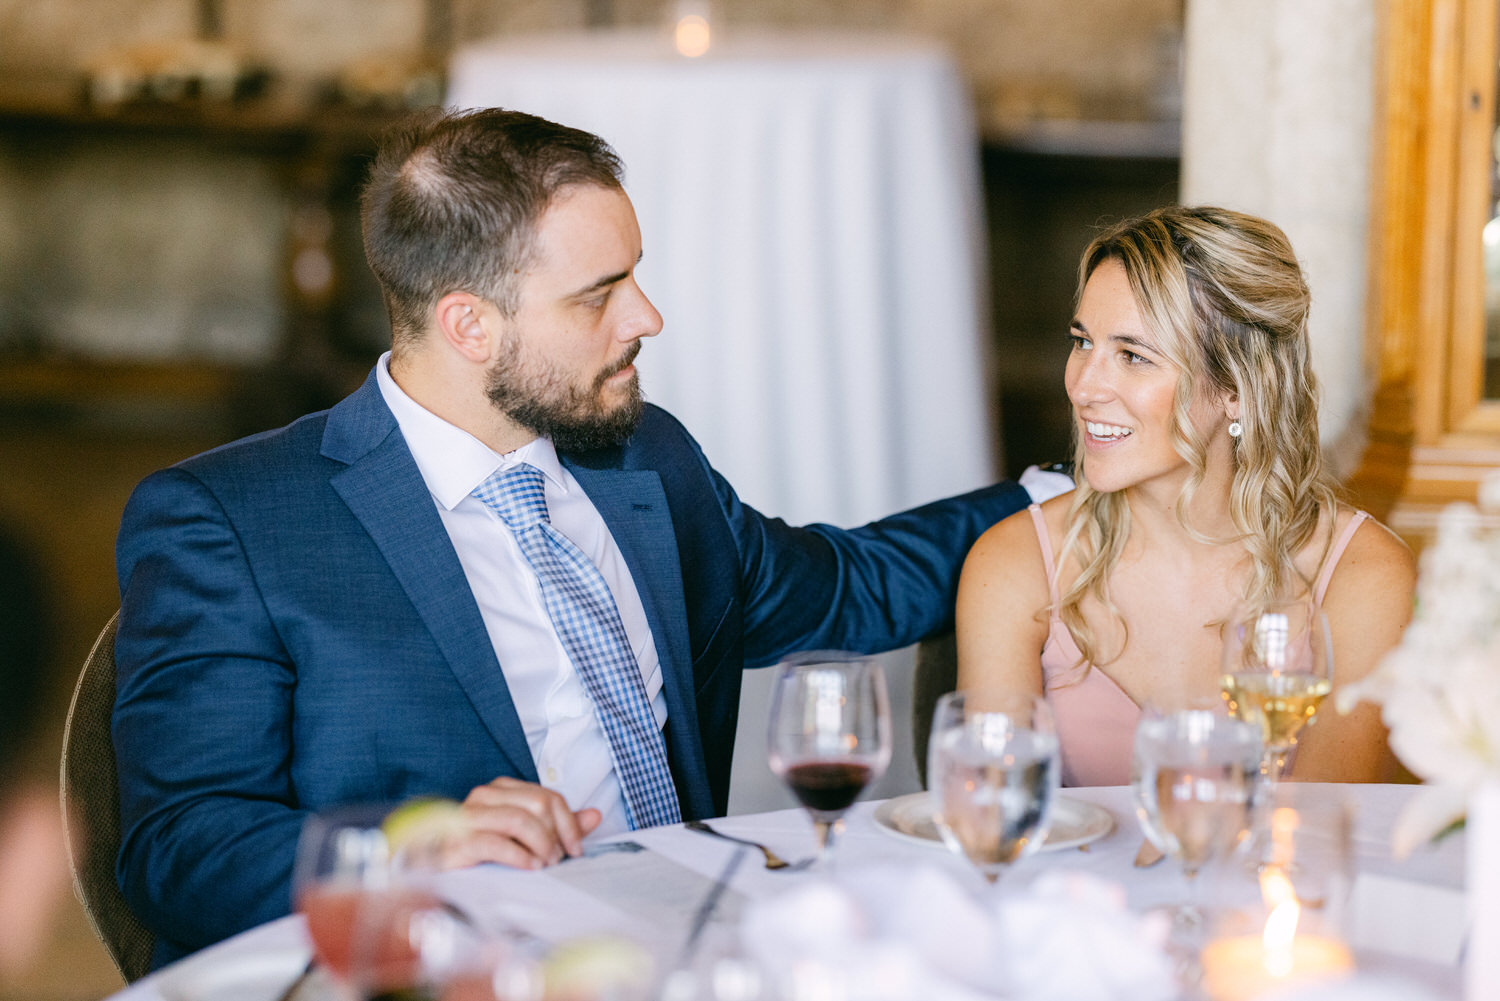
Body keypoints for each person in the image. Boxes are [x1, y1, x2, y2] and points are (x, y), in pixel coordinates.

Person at [112, 106, 1033, 967]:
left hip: (684, 951)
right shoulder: (230, 522)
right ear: (468, 323)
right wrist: (405, 848)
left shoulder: (645, 459)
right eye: (599, 295)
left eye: (634, 274)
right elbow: (178, 847)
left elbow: (850, 584)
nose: (646, 318)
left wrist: (1062, 495)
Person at [955, 205, 1415, 788]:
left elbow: (1320, 833)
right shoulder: (1014, 561)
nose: (1083, 386)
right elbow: (997, 821)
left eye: (1132, 356)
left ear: (1237, 390)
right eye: (1082, 342)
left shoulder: (1362, 575)